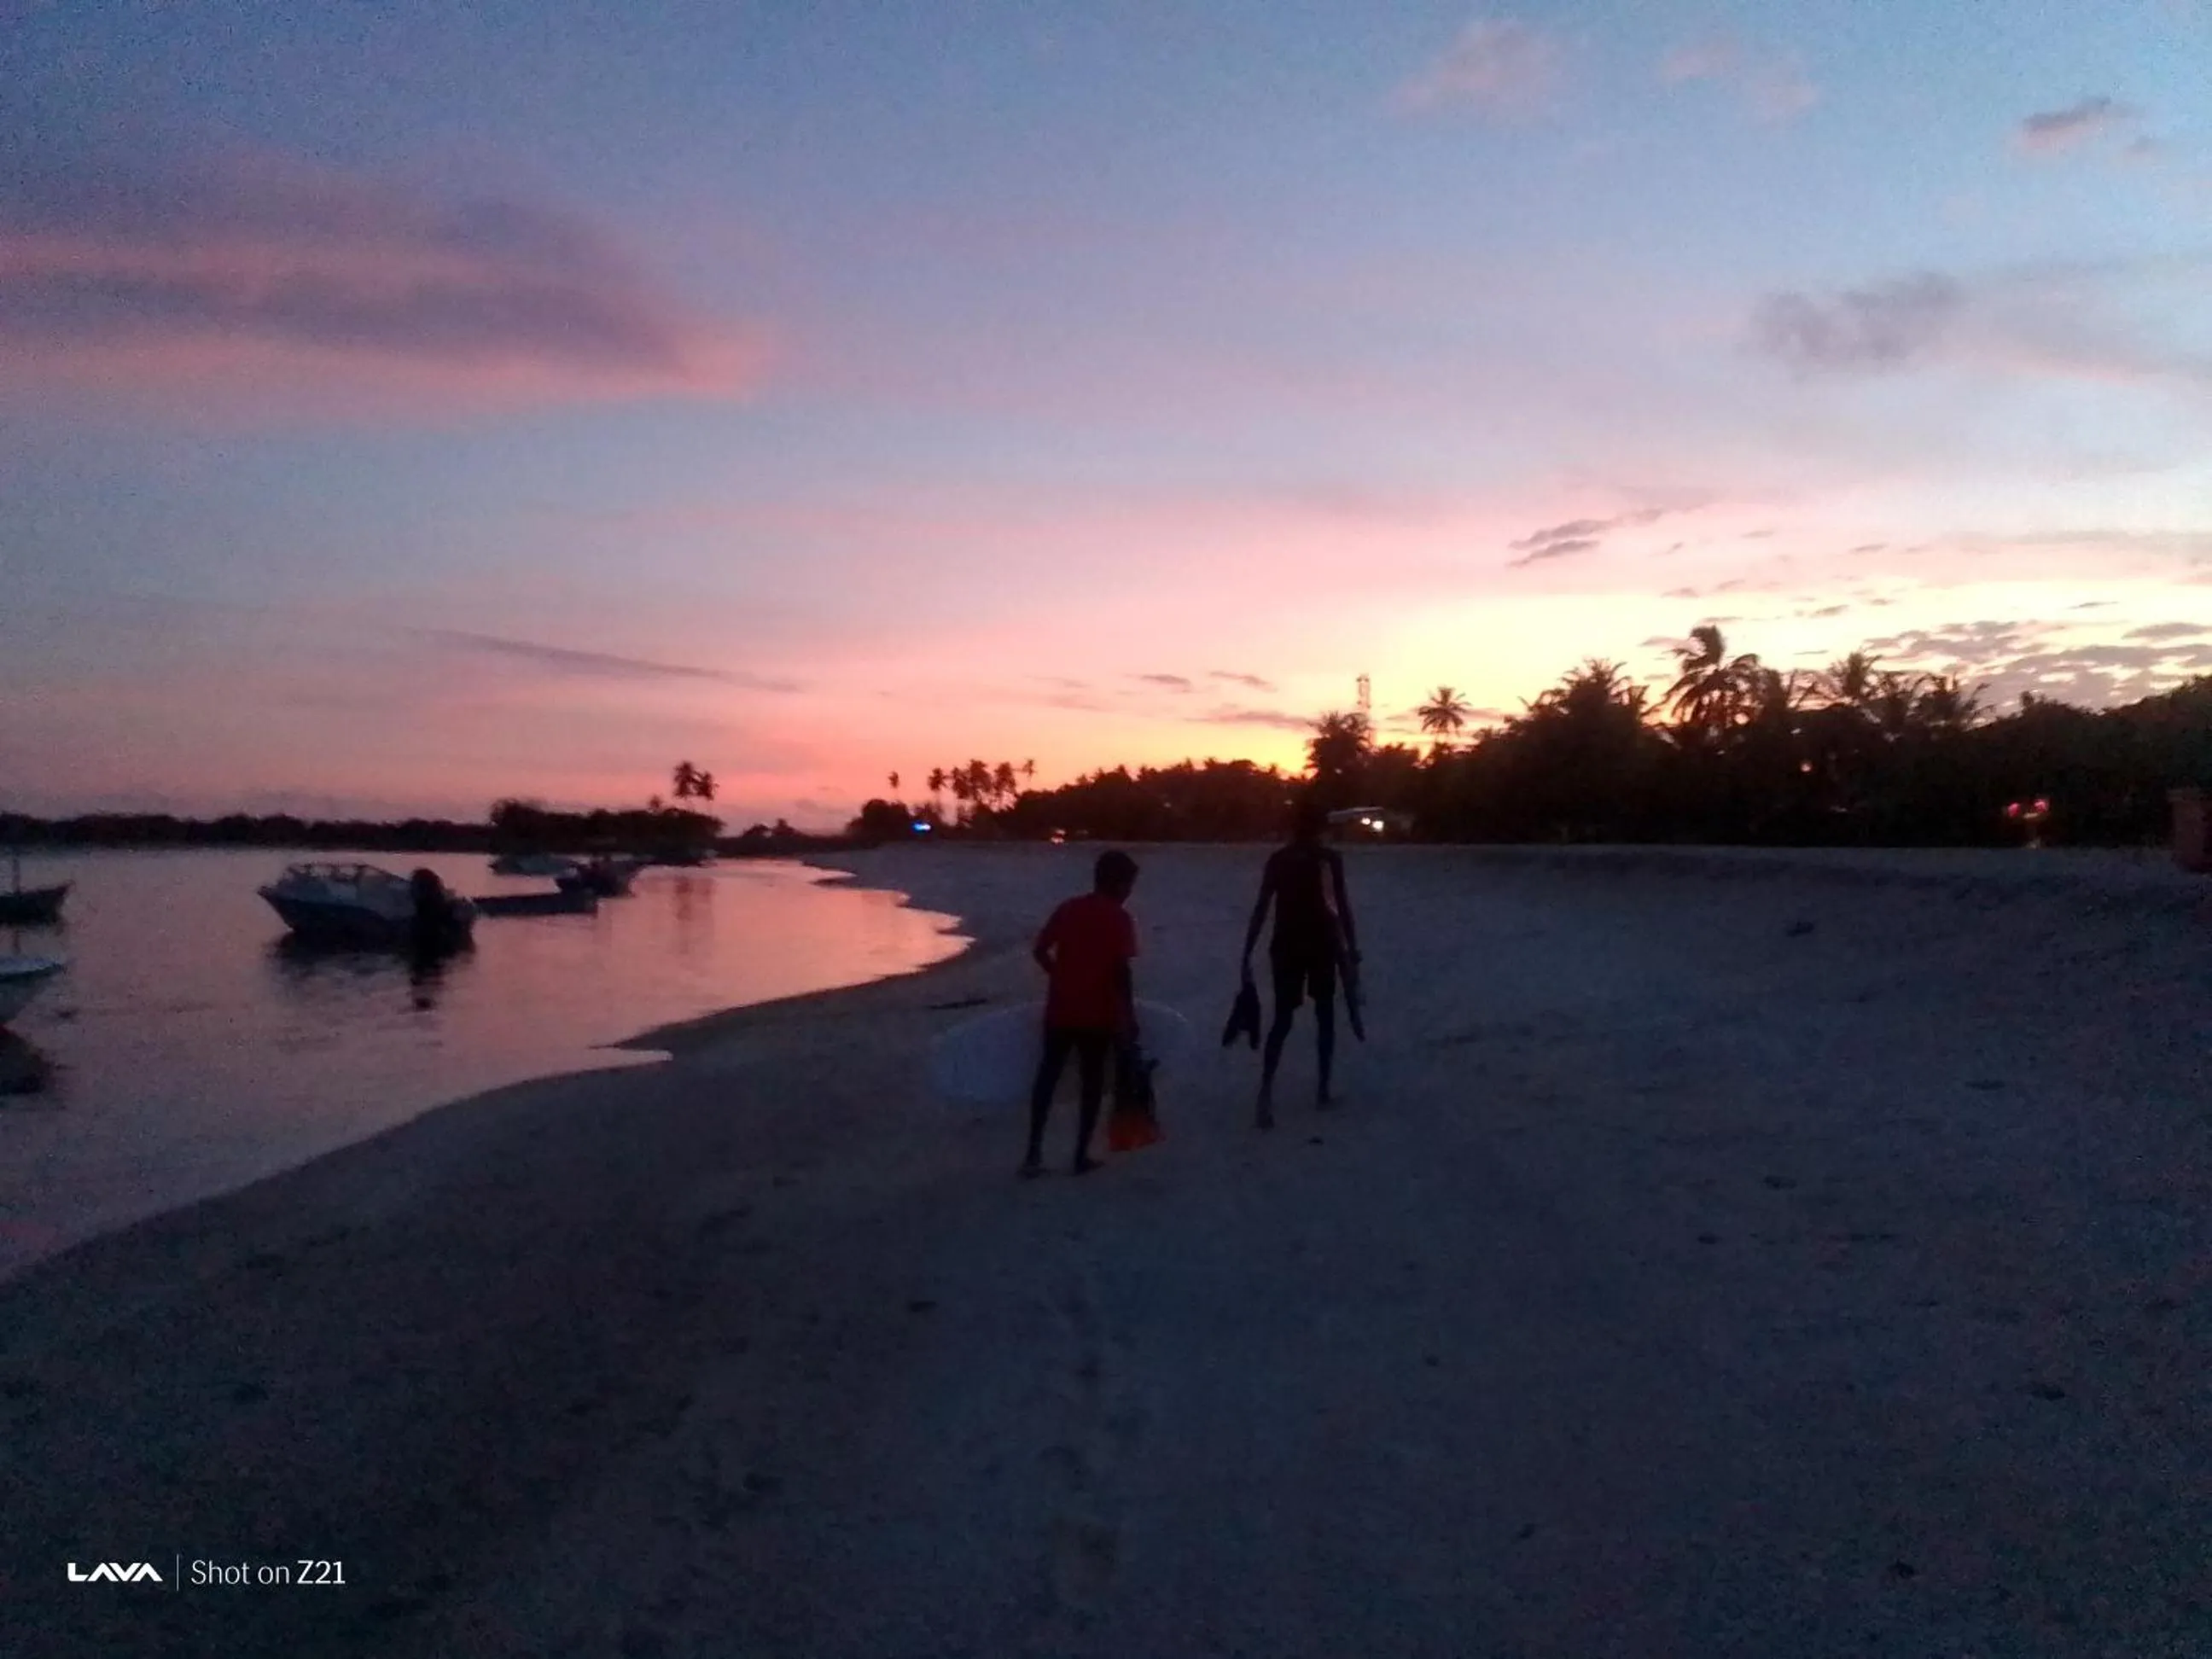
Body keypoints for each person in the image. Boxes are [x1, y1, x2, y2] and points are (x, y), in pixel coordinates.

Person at [1239, 799, 1358, 1129]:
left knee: (1282, 1019)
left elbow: (1262, 907)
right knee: (1325, 1016)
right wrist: (1351, 949)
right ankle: (1322, 1089)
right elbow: (1340, 907)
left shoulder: (1279, 860)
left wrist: (1247, 951)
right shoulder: (1328, 859)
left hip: (1286, 946)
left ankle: (1265, 1091)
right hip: (1321, 945)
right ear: (1321, 827)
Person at [1024, 849, 1140, 1177]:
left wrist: (1060, 975)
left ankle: (1033, 1154)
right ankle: (1079, 1156)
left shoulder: (1069, 909)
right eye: (1129, 886)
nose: (1130, 893)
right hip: (1098, 1014)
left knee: (1047, 1077)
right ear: (1118, 885)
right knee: (1092, 1083)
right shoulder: (1119, 918)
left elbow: (1039, 951)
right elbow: (1121, 973)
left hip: (1060, 1009)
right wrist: (1129, 1019)